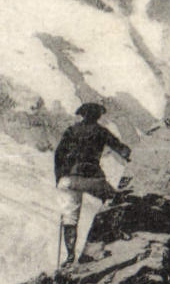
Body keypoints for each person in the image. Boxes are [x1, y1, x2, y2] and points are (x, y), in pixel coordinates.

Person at [54, 101, 131, 265]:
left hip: (68, 179)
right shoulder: (100, 131)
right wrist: (130, 156)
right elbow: (121, 148)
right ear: (97, 116)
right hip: (92, 177)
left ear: (82, 114)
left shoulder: (70, 131)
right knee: (114, 198)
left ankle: (69, 257)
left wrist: (59, 178)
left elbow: (58, 155)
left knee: (70, 218)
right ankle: (115, 232)